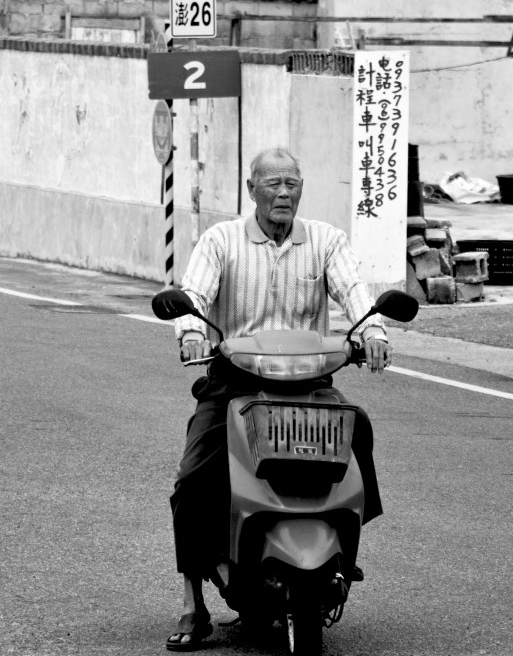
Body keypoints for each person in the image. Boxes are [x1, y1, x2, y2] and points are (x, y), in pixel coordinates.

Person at [165, 147, 392, 651]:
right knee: (192, 479)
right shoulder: (221, 240)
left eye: (292, 182)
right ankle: (192, 603)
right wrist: (191, 333)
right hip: (235, 381)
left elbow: (354, 289)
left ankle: (343, 541)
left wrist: (372, 330)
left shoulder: (326, 241)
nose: (284, 192)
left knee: (360, 431)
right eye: (273, 183)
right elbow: (194, 295)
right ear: (252, 190)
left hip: (311, 380)